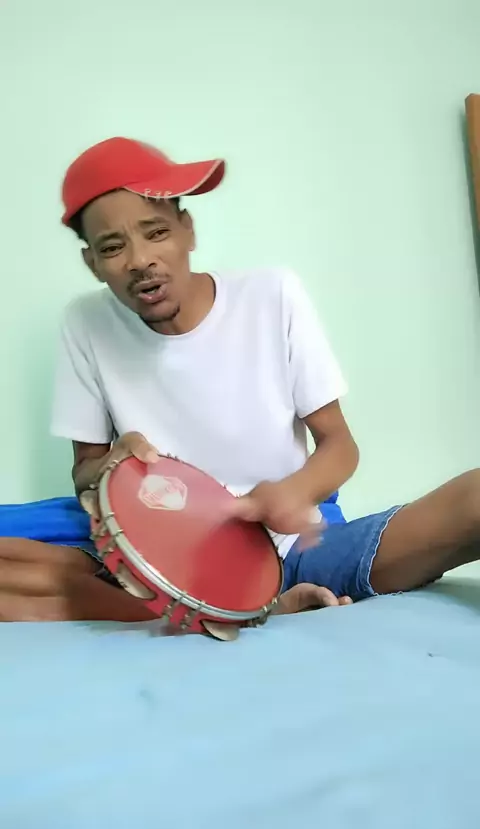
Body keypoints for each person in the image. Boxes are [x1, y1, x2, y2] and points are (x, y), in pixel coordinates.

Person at [3, 136, 480, 624]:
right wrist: (114, 463)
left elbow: (340, 446)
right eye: (112, 247)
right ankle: (239, 609)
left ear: (187, 230)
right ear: (93, 263)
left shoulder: (272, 295)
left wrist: (293, 492)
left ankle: (226, 605)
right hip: (163, 552)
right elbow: (84, 472)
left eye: (156, 232)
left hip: (292, 544)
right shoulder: (86, 322)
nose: (140, 259)